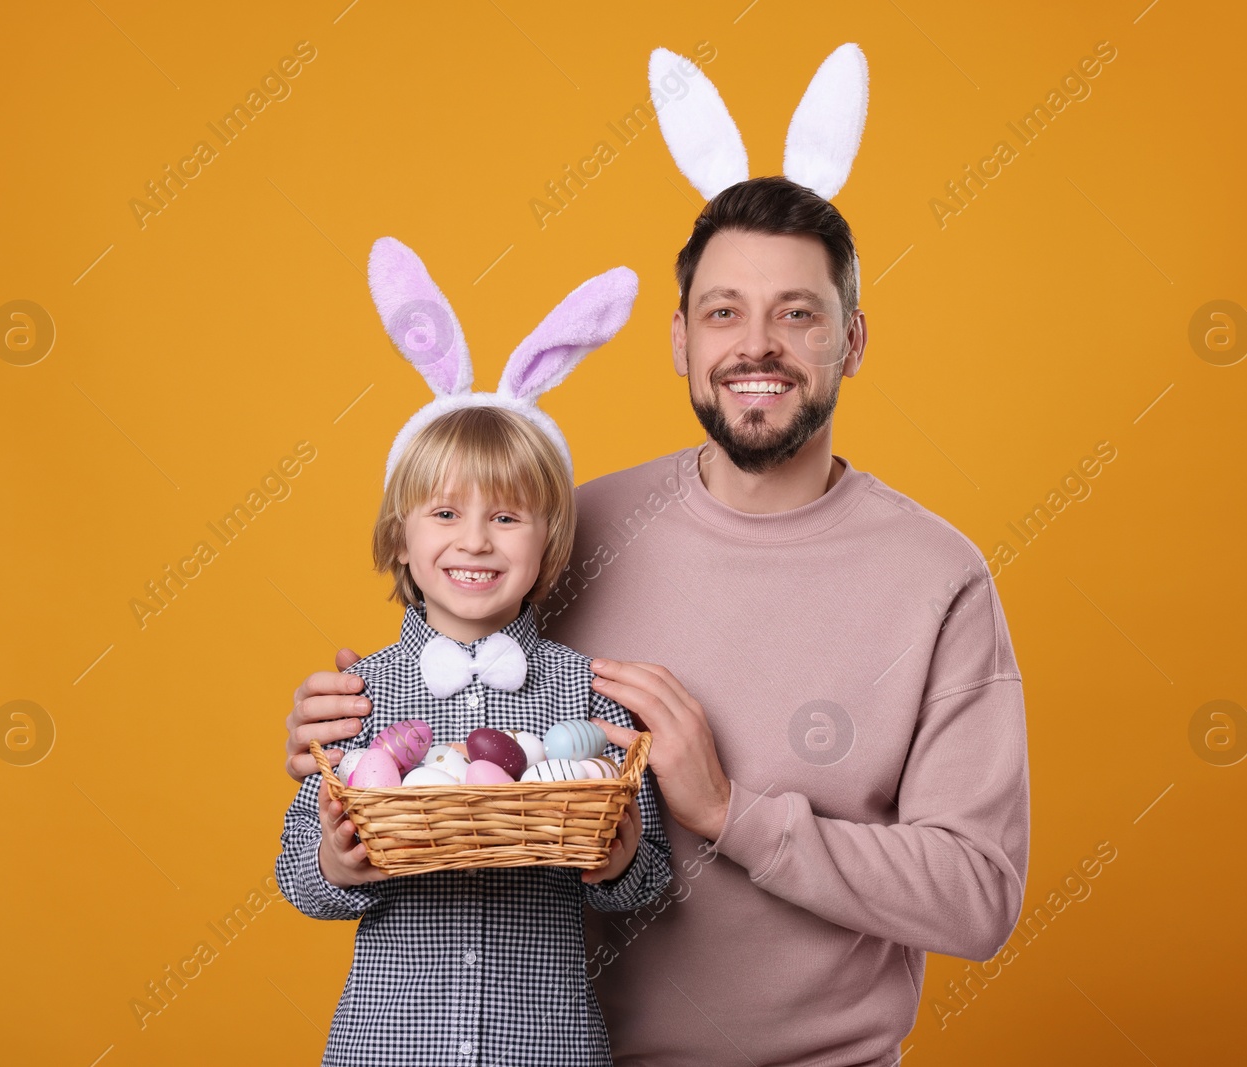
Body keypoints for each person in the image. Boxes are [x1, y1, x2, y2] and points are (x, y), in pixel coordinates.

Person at [288, 46, 1029, 1067]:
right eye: (724, 310)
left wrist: (729, 812)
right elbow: (445, 703)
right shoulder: (571, 529)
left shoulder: (937, 578)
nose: (755, 344)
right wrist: (347, 727)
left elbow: (978, 897)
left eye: (797, 313)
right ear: (679, 338)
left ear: (851, 340)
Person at [276, 238, 670, 1066]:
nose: (476, 541)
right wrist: (337, 860)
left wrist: (624, 855)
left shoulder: (588, 694)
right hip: (387, 1046)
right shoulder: (359, 695)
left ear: (549, 538)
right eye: (445, 514)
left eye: (507, 516)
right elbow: (297, 880)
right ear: (401, 535)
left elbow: (650, 879)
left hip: (548, 1046)